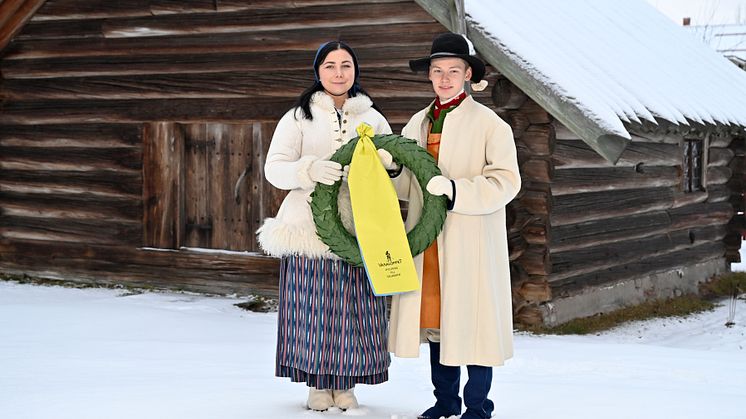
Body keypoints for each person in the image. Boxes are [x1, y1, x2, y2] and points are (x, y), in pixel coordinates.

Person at [385, 33, 522, 419]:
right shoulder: (417, 122)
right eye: (437, 71)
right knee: (437, 323)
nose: (444, 79)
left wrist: (457, 190)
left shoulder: (490, 124)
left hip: (469, 241)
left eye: (453, 71)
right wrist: (391, 167)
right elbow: (407, 182)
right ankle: (445, 402)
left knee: (473, 323)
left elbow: (506, 182)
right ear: (429, 76)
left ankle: (477, 408)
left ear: (467, 75)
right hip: (429, 242)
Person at [257, 41, 392, 411]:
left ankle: (346, 385)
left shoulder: (373, 118)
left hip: (356, 227)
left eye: (345, 65)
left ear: (355, 71)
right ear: (318, 71)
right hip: (307, 229)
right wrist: (308, 169)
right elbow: (274, 169)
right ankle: (317, 385)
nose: (338, 72)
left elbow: (392, 163)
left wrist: (381, 163)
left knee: (352, 310)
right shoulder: (298, 117)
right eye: (330, 65)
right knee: (312, 310)